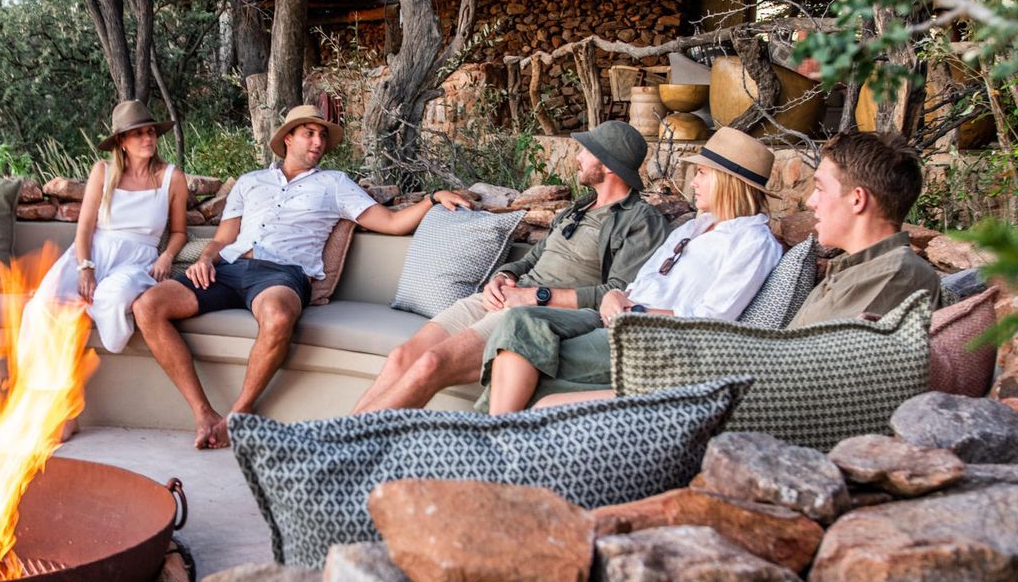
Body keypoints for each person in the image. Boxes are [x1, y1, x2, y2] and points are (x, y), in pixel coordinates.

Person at [131, 103, 473, 449]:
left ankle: (240, 414)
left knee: (278, 317)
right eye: (309, 133)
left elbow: (391, 223)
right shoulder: (250, 182)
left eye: (323, 135)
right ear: (288, 138)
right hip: (229, 269)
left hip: (281, 275)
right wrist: (205, 259)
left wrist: (431, 198)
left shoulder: (335, 184)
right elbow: (223, 238)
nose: (318, 141)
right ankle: (203, 413)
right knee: (148, 305)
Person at [348, 119, 668, 413]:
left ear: (608, 165)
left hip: (534, 316)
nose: (579, 156)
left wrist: (534, 298)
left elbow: (617, 293)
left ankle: (349, 455)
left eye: (588, 151)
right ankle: (330, 443)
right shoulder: (580, 208)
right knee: (401, 358)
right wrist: (503, 277)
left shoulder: (640, 219)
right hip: (508, 298)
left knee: (430, 364)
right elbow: (533, 257)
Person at [484, 126, 784, 413]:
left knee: (528, 355)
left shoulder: (753, 242)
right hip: (617, 317)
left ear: (726, 180)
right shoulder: (693, 227)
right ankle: (492, 436)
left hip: (655, 338)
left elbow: (713, 318)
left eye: (702, 174)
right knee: (520, 321)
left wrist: (635, 311)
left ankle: (489, 441)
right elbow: (644, 279)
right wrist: (617, 295)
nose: (693, 182)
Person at [37, 100, 187, 352]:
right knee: (44, 303)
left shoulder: (172, 177)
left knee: (114, 296)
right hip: (95, 252)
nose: (147, 138)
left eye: (150, 131)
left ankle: (108, 325)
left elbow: (179, 232)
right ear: (121, 142)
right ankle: (43, 383)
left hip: (138, 258)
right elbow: (84, 228)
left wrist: (166, 257)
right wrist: (85, 267)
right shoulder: (103, 171)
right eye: (138, 133)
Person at [784, 130, 941, 326]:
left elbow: (809, 352)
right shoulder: (857, 269)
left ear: (857, 199)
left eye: (820, 189)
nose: (810, 202)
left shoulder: (895, 277)